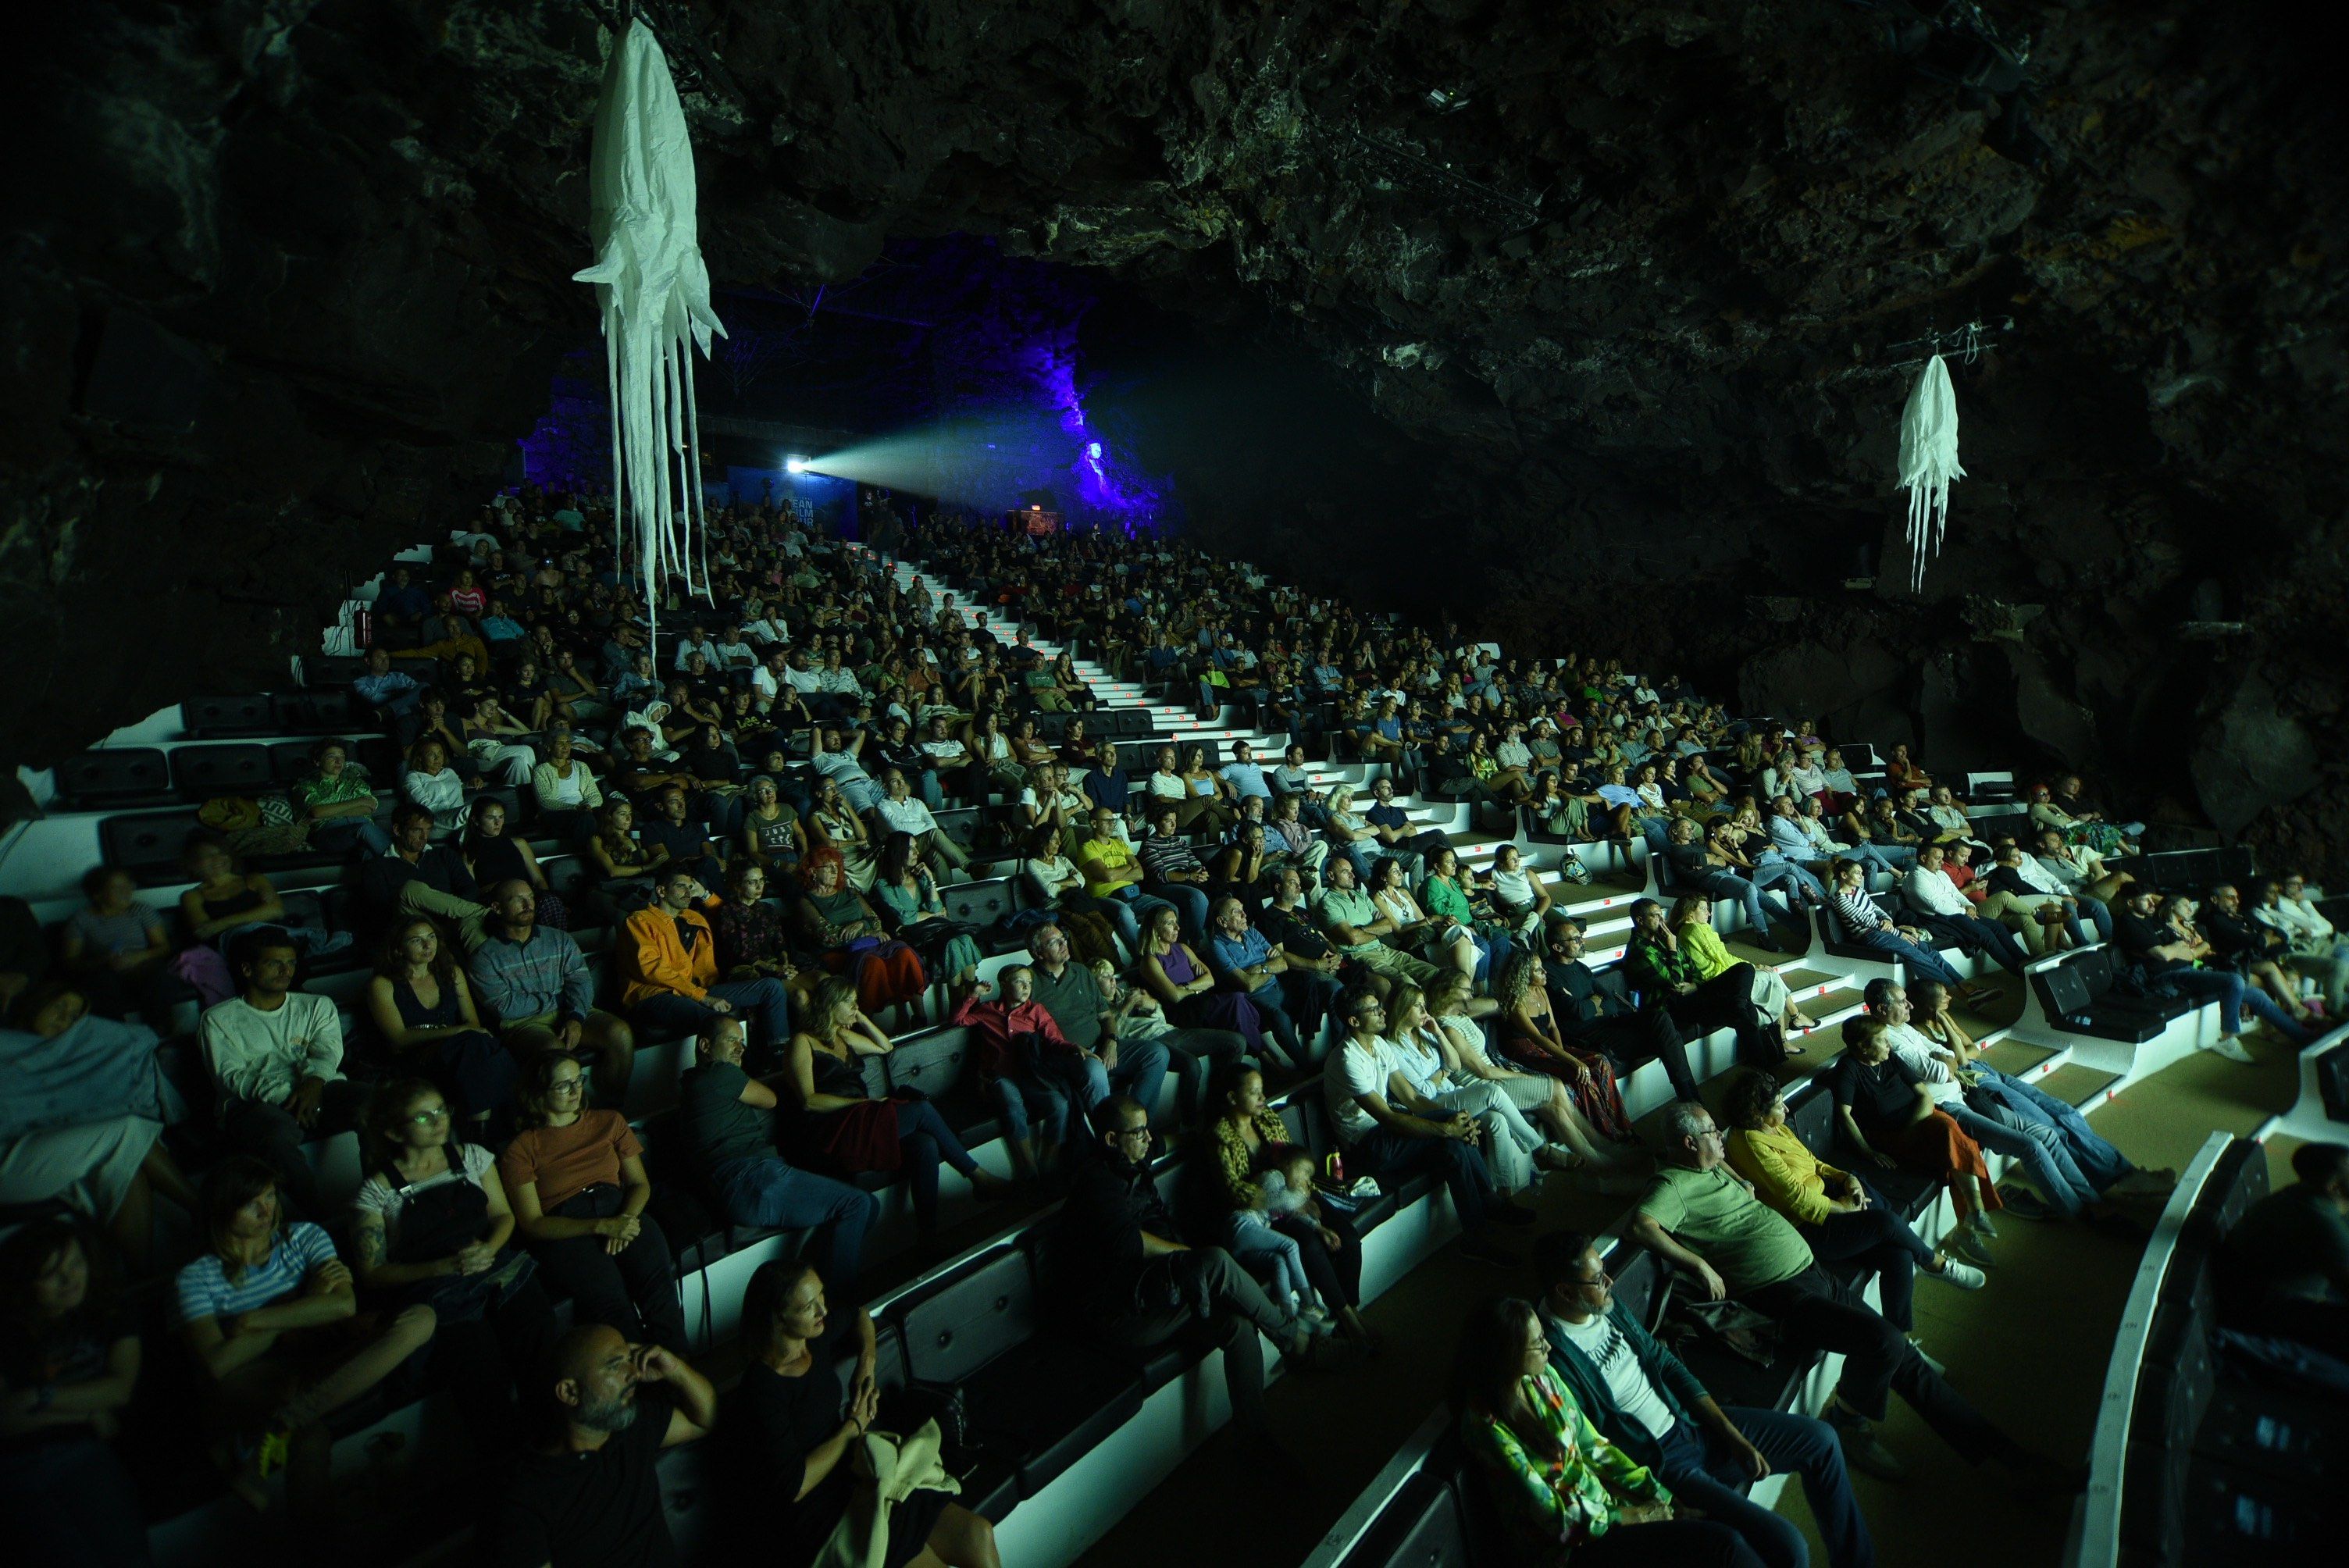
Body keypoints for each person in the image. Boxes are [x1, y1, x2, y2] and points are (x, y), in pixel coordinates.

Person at [1629, 1101, 2070, 1488]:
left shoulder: (1706, 1168)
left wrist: (1728, 1171)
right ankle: (1848, 1418)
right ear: (1688, 1144)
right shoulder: (1672, 1186)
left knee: (1907, 1363)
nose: (1721, 1139)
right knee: (1886, 1342)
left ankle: (2007, 1458)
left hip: (1814, 1274)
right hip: (1782, 1297)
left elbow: (1720, 1166)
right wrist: (1699, 1264)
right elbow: (1641, 1225)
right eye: (1711, 1133)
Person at [1535, 1234, 1876, 1568]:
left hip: (1692, 1423)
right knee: (1790, 1548)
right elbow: (1591, 1445)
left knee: (1822, 1441)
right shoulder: (1553, 1356)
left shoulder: (1604, 1305)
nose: (1609, 1280)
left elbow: (1664, 1363)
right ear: (1565, 1291)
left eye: (1605, 1269)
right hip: (1664, 1460)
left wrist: (1731, 1433)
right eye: (1597, 1278)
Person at [1047, 1096, 1334, 1453]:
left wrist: (1205, 1137)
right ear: (1110, 1140)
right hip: (1123, 1312)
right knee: (1214, 1260)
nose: (1148, 1139)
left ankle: (1256, 1439)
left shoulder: (1133, 1157)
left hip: (1160, 1288)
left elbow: (1169, 1140)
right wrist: (1187, 1255)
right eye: (1139, 1133)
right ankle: (1292, 1338)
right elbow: (1128, 1242)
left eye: (1147, 1130)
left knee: (1238, 1327)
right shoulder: (1096, 1182)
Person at [176, 1158, 437, 1515]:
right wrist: (304, 1307)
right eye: (251, 1202)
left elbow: (344, 1305)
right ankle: (288, 1430)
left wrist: (254, 1320)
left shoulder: (304, 1236)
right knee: (310, 1438)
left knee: (421, 1318)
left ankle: (286, 1421)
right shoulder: (196, 1277)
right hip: (263, 1375)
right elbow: (218, 1363)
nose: (266, 1209)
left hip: (322, 1357)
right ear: (223, 1210)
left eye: (270, 1197)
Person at [715, 1260, 1000, 1568]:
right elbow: (794, 1486)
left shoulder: (814, 1337)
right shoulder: (762, 1387)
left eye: (821, 1297)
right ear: (778, 1318)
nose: (822, 1311)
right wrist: (852, 1427)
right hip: (821, 1510)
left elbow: (860, 1315)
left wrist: (868, 1362)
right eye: (808, 1307)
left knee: (978, 1533)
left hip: (855, 1471)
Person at [1453, 1294, 1762, 1568]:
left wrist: (1662, 1497)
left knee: (1720, 1529)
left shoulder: (1541, 1378)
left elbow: (1595, 1448)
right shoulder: (1488, 1429)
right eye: (1537, 1344)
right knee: (1724, 1546)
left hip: (1606, 1509)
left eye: (1543, 1336)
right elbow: (1557, 1520)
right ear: (1507, 1355)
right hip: (1570, 1547)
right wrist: (1636, 1516)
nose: (1548, 1346)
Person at [348, 1078, 555, 1442]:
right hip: (436, 1288)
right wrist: (441, 1267)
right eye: (425, 1117)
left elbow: (503, 1217)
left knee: (536, 1333)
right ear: (396, 1133)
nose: (440, 1120)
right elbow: (373, 1273)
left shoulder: (473, 1156)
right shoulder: (377, 1191)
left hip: (493, 1267)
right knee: (478, 1368)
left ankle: (553, 1434)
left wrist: (489, 1249)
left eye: (441, 1110)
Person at [1718, 1069, 1985, 1339]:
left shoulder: (1776, 1127)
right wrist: (1845, 1207)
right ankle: (1934, 1263)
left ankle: (1901, 1343)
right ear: (1756, 1113)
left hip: (1831, 1199)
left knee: (1900, 1255)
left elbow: (1814, 1163)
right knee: (1888, 1222)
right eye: (1778, 1105)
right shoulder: (1751, 1143)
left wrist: (1846, 1179)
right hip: (1809, 1226)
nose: (1786, 1108)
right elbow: (1796, 1198)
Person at [480, 1325, 717, 1568]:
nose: (634, 1372)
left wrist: (674, 1369)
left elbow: (702, 1421)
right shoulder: (528, 1498)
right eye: (615, 1365)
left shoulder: (633, 1426)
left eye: (630, 1359)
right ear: (570, 1392)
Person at [784, 977, 1009, 1231]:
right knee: (921, 1109)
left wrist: (861, 1018)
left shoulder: (843, 1035)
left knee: (926, 1144)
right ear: (830, 1005)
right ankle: (979, 1177)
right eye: (850, 1003)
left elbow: (885, 1047)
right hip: (834, 1128)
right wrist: (865, 1103)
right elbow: (808, 1101)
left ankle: (929, 1235)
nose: (855, 1008)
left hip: (861, 1117)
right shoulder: (801, 1042)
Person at [1324, 989, 1530, 1267]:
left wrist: (1455, 1119)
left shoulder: (1380, 1045)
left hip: (1389, 1130)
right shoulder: (1347, 1059)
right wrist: (1448, 1129)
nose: (1382, 1012)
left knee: (1456, 1130)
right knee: (1451, 1142)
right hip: (1367, 1145)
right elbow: (1386, 1117)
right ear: (1354, 1021)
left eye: (1379, 1007)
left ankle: (1484, 1215)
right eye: (1373, 1010)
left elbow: (1411, 1099)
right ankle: (1481, 1225)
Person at [677, 1017, 879, 1299]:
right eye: (732, 1040)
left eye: (743, 1042)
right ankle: (842, 1302)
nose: (741, 1048)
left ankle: (812, 1288)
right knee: (859, 1204)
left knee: (864, 1204)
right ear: (705, 1045)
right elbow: (770, 1099)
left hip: (748, 1182)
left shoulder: (692, 1083)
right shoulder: (719, 1073)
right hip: (751, 1179)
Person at [499, 1053, 687, 1352]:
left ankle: (679, 1374)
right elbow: (533, 1224)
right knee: (611, 1304)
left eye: (579, 1080)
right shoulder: (521, 1149)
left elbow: (639, 1184)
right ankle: (635, 1387)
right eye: (564, 1085)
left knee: (660, 1289)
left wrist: (624, 1219)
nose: (576, 1091)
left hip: (620, 1208)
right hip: (567, 1225)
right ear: (539, 1092)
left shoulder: (609, 1121)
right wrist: (601, 1226)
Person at [0, 1218, 149, 1564]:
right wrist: (88, 1410)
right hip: (16, 1464)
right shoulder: (9, 1329)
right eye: (53, 1274)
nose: (70, 1280)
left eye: (76, 1264)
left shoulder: (110, 1307)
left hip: (84, 1451)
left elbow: (119, 1390)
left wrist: (39, 1398)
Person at [1205, 1064, 1376, 1349]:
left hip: (1296, 1192)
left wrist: (1303, 1192)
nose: (1263, 1098)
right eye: (1254, 1092)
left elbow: (1294, 1161)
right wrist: (1283, 1201)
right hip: (1267, 1208)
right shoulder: (1220, 1135)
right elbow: (1233, 1188)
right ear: (1233, 1098)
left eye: (1262, 1091)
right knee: (1310, 1244)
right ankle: (1347, 1317)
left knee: (1348, 1237)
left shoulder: (1268, 1118)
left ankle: (1350, 1307)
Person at [201, 932, 364, 1220]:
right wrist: (293, 1096)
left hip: (318, 1086)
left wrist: (313, 1084)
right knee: (275, 1134)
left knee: (374, 1102)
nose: (285, 970)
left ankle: (378, 1196)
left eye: (290, 962)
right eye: (274, 963)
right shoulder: (218, 1018)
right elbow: (233, 1077)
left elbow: (327, 1053)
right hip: (251, 1102)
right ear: (247, 969)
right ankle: (320, 1219)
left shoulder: (316, 1005)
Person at [1824, 1017, 2001, 1255]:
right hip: (1889, 1135)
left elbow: (1925, 1095)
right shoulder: (1849, 1069)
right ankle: (1973, 1217)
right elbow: (1844, 1114)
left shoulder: (1890, 1059)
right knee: (1955, 1141)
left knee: (1951, 1139)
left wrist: (1912, 1128)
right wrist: (1867, 1151)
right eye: (1882, 1041)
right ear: (1863, 1047)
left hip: (1917, 1122)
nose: (1889, 1044)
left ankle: (1971, 1220)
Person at [470, 879, 638, 1103]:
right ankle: (570, 1118)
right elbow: (505, 1007)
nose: (527, 904)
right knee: (554, 1051)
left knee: (621, 1033)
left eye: (530, 897)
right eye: (517, 899)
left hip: (571, 1012)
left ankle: (612, 1110)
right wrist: (559, 1000)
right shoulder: (484, 957)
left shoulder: (559, 939)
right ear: (497, 908)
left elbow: (580, 982)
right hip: (523, 1024)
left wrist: (576, 1016)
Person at [2112, 881, 2312, 1062]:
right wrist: (2177, 949)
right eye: (2144, 900)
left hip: (2186, 970)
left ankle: (2304, 1038)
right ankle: (2228, 1039)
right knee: (2233, 981)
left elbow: (2185, 950)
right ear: (2130, 903)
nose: (2151, 904)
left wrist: (2178, 949)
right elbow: (2165, 955)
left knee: (2257, 995)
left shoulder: (2150, 920)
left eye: (2150, 899)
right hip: (2165, 977)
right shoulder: (2129, 924)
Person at [618, 868, 794, 1057]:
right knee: (717, 1021)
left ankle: (778, 1055)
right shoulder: (639, 921)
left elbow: (726, 911)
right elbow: (652, 969)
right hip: (656, 995)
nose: (688, 892)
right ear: (661, 891)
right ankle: (721, 1074)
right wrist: (704, 998)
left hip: (695, 990)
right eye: (680, 886)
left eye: (689, 887)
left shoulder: (693, 918)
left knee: (772, 987)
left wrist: (714, 992)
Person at [364, 918, 516, 1131]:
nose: (428, 945)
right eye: (417, 940)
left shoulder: (451, 973)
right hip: (416, 1057)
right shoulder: (382, 985)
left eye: (432, 937)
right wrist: (456, 1032)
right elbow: (399, 1038)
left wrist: (456, 1035)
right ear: (398, 949)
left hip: (459, 1052)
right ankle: (485, 1133)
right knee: (481, 1050)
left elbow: (472, 1022)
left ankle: (479, 1132)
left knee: (477, 1049)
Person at [1024, 923, 1175, 1120]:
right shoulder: (1028, 981)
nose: (1064, 944)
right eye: (1055, 942)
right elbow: (1027, 1036)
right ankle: (1111, 1132)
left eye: (1064, 938)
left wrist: (1111, 1041)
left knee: (1157, 1053)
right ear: (1038, 953)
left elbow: (1105, 1016)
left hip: (1101, 1045)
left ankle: (1136, 1127)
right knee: (1095, 1071)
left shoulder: (1081, 971)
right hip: (1069, 1055)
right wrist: (1069, 1049)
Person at [2215, 1141, 2349, 1361]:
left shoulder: (2302, 1195)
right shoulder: (2321, 1220)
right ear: (2334, 1187)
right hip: (2263, 1311)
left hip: (2256, 1292)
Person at [1621, 900, 1784, 1069]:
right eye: (1655, 916)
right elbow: (1675, 981)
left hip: (1693, 993)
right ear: (1640, 920)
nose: (1661, 920)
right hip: (1673, 1008)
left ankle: (1740, 1009)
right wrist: (1673, 949)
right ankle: (1764, 1070)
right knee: (1742, 1010)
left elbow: (1691, 967)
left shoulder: (1662, 939)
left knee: (1744, 969)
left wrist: (1695, 985)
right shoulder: (1639, 951)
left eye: (1661, 914)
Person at [1823, 860, 1997, 1007]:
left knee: (1927, 950)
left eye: (1862, 873)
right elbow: (1868, 922)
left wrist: (1888, 921)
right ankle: (1960, 995)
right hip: (1869, 935)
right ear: (1844, 876)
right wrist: (1898, 933)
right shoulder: (1840, 900)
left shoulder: (1859, 892)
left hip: (1884, 930)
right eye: (1857, 874)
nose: (1862, 877)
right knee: (1914, 952)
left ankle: (1966, 986)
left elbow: (1877, 910)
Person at [795, 846, 929, 1025]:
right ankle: (867, 1025)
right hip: (837, 952)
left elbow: (874, 920)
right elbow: (829, 936)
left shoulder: (850, 892)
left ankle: (920, 1018)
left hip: (869, 941)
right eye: (829, 867)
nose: (835, 871)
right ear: (812, 871)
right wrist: (866, 930)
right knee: (873, 964)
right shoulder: (805, 901)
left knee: (905, 954)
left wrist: (861, 926)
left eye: (837, 867)